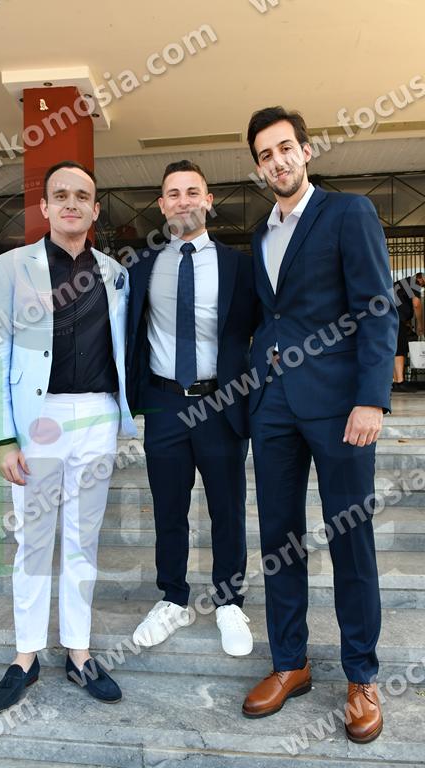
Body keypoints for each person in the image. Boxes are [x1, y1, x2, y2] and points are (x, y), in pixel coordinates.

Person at [242, 107, 398, 743]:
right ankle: (291, 663)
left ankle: (361, 676)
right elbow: (272, 317)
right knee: (279, 539)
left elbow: (377, 307)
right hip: (274, 405)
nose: (277, 161)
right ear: (259, 169)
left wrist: (372, 399)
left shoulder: (348, 212)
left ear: (306, 151)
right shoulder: (260, 233)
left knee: (350, 538)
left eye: (285, 148)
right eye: (265, 155)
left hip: (340, 407)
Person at [0, 161, 136, 712]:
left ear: (95, 210)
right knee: (33, 538)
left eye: (82, 196)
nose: (72, 203)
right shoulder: (9, 266)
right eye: (61, 195)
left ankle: (78, 651)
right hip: (37, 419)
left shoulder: (115, 274)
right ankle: (25, 656)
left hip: (97, 414)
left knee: (83, 539)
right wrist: (3, 437)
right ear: (45, 207)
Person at [126, 160, 257, 657]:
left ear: (208, 201)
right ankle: (173, 598)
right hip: (163, 403)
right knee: (168, 508)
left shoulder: (239, 266)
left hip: (221, 402)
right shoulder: (140, 267)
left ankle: (229, 601)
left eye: (193, 192)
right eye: (174, 194)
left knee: (227, 508)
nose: (184, 200)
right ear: (162, 205)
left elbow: (264, 330)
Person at [392, 273, 424, 391]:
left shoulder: (400, 283)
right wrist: (420, 324)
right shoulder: (414, 282)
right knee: (400, 348)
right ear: (421, 278)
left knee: (393, 349)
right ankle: (400, 382)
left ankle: (396, 381)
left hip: (388, 318)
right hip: (397, 319)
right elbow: (416, 304)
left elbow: (400, 302)